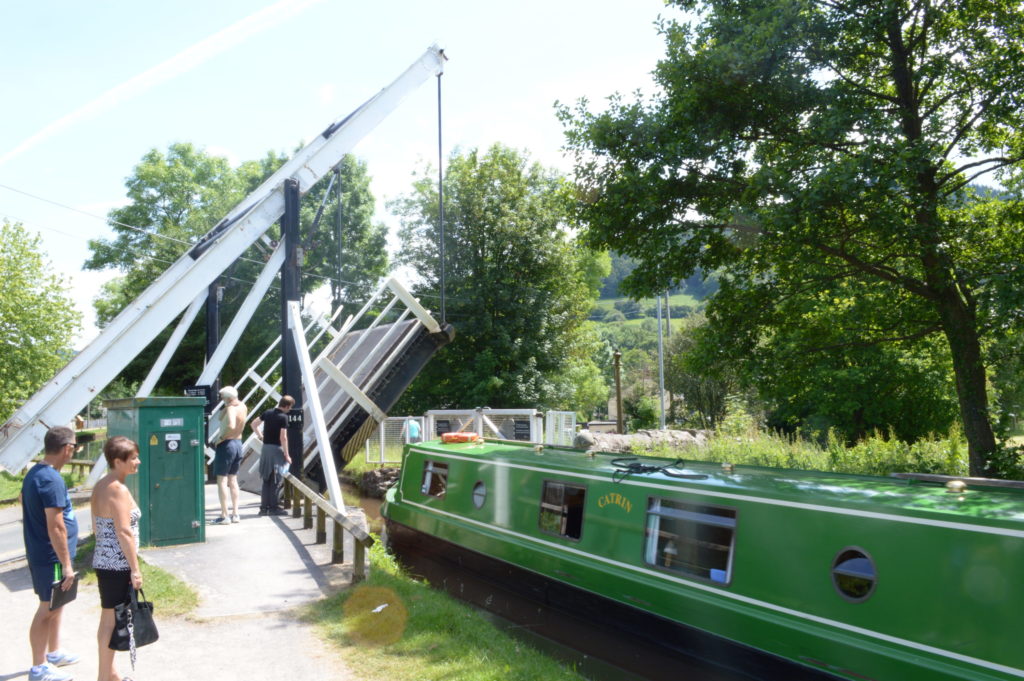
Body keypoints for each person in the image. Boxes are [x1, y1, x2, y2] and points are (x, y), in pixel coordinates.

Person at [22, 426, 80, 681]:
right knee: (47, 608)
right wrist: (66, 564)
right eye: (75, 447)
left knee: (58, 603)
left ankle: (53, 653)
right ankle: (38, 667)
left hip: (47, 555)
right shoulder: (50, 479)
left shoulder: (37, 472)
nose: (74, 451)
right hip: (51, 557)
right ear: (67, 448)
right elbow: (55, 525)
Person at [89, 436, 144, 681]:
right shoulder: (118, 490)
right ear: (118, 461)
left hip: (105, 561)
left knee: (108, 618)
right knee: (112, 622)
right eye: (133, 458)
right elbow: (124, 531)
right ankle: (104, 677)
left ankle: (109, 675)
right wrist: (135, 569)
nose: (138, 462)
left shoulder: (101, 485)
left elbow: (95, 527)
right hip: (118, 565)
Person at [251, 395, 294, 516]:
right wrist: (286, 454)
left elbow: (254, 424)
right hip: (276, 450)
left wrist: (261, 436)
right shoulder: (283, 417)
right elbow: (283, 438)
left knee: (266, 479)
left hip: (265, 449)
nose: (290, 410)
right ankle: (274, 508)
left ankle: (264, 508)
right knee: (275, 479)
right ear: (286, 406)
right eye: (290, 407)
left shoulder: (268, 412)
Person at [211, 385, 248, 524]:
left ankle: (224, 515)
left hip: (227, 444)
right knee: (233, 479)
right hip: (238, 443)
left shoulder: (232, 408)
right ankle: (235, 514)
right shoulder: (242, 406)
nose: (221, 399)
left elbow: (231, 424)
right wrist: (226, 405)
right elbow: (221, 417)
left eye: (223, 397)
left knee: (222, 480)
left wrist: (221, 438)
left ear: (227, 398)